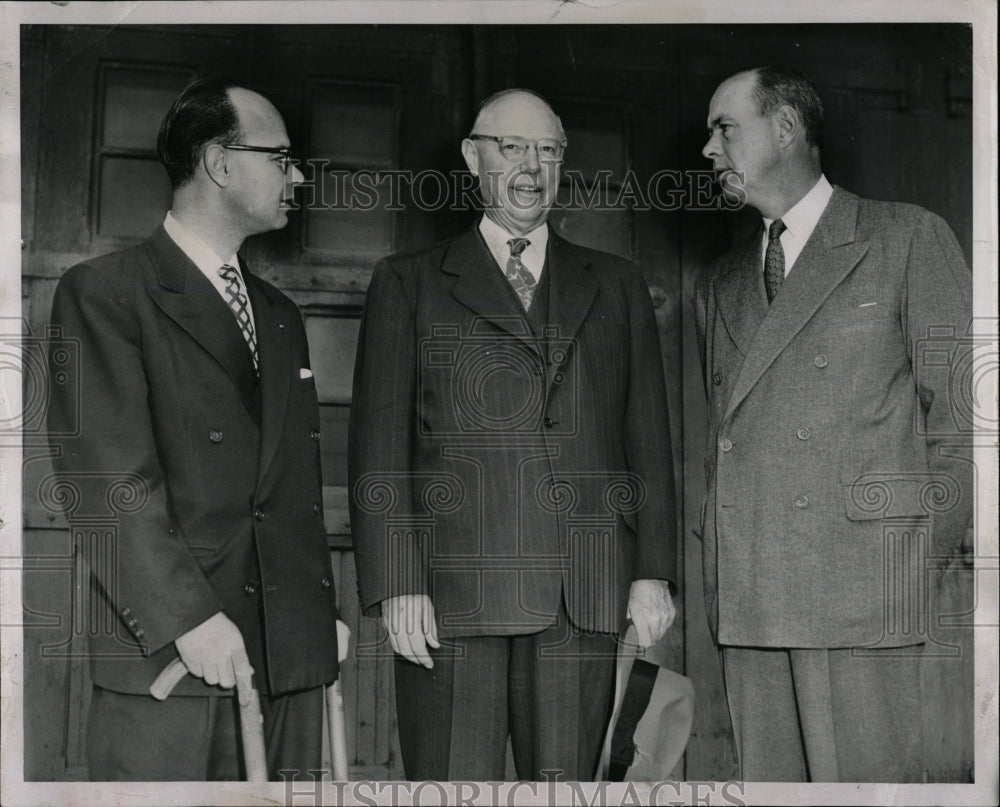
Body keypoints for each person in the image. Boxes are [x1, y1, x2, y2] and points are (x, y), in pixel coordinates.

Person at [348, 88, 677, 781]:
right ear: (472, 157)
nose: (533, 167)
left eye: (550, 150)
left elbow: (646, 437)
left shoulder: (616, 284)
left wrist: (651, 570)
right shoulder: (407, 283)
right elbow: (379, 446)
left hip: (582, 594)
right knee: (449, 787)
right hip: (449, 597)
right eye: (513, 147)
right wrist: (397, 581)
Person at [46, 79, 341, 781]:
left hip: (289, 654)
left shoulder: (278, 313)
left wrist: (311, 614)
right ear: (218, 162)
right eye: (282, 157)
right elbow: (108, 480)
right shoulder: (105, 293)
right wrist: (189, 618)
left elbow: (286, 485)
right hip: (175, 657)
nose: (297, 176)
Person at [694, 66, 973, 782]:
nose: (708, 149)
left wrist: (909, 564)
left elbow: (970, 427)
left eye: (724, 128)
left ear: (785, 128)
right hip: (753, 608)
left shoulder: (905, 237)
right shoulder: (720, 281)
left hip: (866, 607)